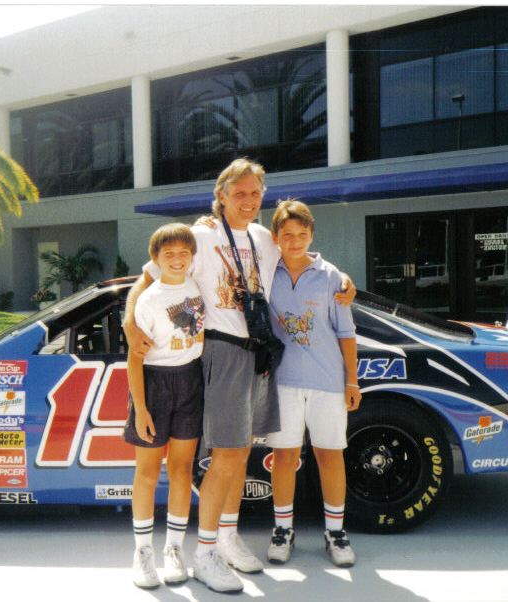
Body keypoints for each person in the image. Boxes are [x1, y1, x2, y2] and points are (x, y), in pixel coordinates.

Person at [124, 158, 355, 593]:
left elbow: (303, 255)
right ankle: (206, 551)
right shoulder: (199, 235)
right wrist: (132, 327)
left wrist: (343, 280)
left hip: (257, 353)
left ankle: (225, 538)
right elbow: (147, 279)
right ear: (222, 196)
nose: (248, 201)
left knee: (239, 451)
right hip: (222, 350)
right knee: (228, 453)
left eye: (255, 193)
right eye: (240, 193)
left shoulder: (266, 238)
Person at [263, 199, 361, 568]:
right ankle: (282, 530)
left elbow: (346, 332)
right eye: (287, 235)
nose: (294, 241)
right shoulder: (264, 274)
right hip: (283, 381)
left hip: (327, 382)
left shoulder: (332, 276)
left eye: (302, 234)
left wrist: (352, 382)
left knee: (329, 455)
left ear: (311, 235)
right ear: (275, 237)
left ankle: (335, 532)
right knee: (285, 457)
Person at [125, 223, 206, 589]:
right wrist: (140, 409)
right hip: (155, 384)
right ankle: (143, 552)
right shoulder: (149, 299)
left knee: (182, 468)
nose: (177, 259)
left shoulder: (198, 285)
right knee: (146, 471)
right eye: (168, 254)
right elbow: (134, 359)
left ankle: (175, 549)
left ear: (192, 257)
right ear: (155, 259)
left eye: (183, 253)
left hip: (191, 379)